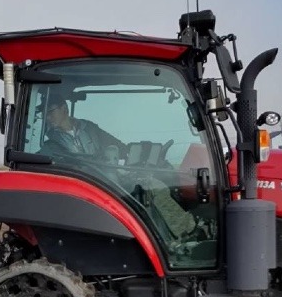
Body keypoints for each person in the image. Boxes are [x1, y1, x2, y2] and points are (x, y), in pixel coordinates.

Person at [37, 93, 199, 241]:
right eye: (46, 113)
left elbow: (118, 147)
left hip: (105, 180)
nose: (48, 117)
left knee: (149, 188)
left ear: (64, 109)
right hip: (88, 186)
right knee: (144, 191)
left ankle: (174, 234)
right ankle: (175, 236)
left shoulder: (89, 128)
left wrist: (139, 151)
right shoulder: (51, 143)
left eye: (50, 112)